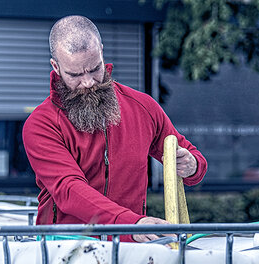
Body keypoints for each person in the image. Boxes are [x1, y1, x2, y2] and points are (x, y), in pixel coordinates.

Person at [22, 15, 207, 243]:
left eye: (95, 69)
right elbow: (68, 190)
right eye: (75, 75)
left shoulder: (143, 107)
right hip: (64, 251)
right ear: (56, 67)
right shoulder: (42, 124)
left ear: (101, 51)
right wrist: (132, 223)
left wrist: (192, 165)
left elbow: (191, 156)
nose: (88, 82)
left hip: (132, 246)